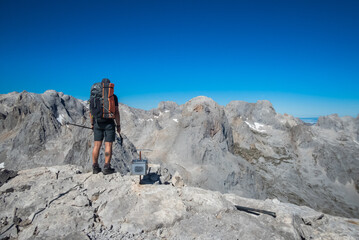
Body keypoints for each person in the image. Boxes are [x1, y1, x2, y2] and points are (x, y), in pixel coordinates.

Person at [90, 78, 121, 175]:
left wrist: (92, 123)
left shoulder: (95, 96)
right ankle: (107, 166)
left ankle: (95, 167)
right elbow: (116, 112)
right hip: (109, 123)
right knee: (108, 145)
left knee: (97, 145)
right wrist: (118, 125)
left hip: (97, 122)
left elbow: (91, 112)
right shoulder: (113, 97)